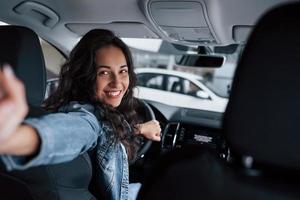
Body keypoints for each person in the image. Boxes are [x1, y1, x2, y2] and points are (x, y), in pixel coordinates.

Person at [0, 29, 161, 200]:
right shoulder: (86, 119)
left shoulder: (67, 107)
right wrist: (12, 138)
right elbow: (67, 133)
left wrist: (140, 129)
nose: (117, 82)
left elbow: (109, 133)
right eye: (104, 73)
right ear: (85, 76)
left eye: (123, 71)